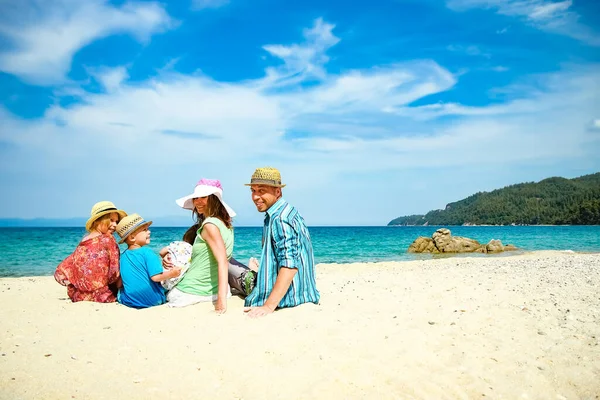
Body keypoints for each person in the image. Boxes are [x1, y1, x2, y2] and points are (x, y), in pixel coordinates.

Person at [243, 167, 320, 318]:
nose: (255, 197)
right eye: (253, 191)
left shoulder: (280, 218)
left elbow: (290, 266)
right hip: (303, 292)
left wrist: (268, 306)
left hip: (290, 299)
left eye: (261, 191)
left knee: (229, 267)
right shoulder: (288, 212)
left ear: (278, 191)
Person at [164, 179, 235, 313]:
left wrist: (221, 301)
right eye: (196, 198)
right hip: (213, 289)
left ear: (214, 200)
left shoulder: (209, 225)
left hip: (192, 291)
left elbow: (222, 261)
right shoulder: (226, 226)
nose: (197, 202)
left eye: (203, 197)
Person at [54, 201, 126, 303]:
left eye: (116, 221)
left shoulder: (85, 240)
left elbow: (66, 267)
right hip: (102, 297)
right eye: (111, 220)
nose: (115, 225)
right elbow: (114, 274)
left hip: (79, 296)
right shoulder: (108, 240)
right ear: (98, 220)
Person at [115, 213, 181, 309]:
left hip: (129, 302)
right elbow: (156, 277)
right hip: (154, 301)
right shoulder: (147, 252)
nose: (149, 232)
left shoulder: (123, 256)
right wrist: (172, 273)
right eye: (145, 230)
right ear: (132, 237)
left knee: (122, 292)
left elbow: (119, 283)